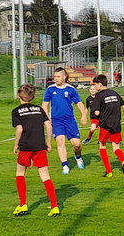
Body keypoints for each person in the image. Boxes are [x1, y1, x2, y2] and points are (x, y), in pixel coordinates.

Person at [11, 84, 59, 217]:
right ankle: (54, 206)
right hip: (39, 146)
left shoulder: (16, 111)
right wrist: (48, 142)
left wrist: (16, 144)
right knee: (45, 176)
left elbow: (19, 129)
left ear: (18, 96)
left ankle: (23, 205)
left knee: (20, 173)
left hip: (25, 146)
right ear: (32, 97)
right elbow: (49, 126)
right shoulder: (39, 109)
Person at [41, 67, 88, 175]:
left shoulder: (71, 89)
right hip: (56, 121)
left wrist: (84, 116)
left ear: (64, 77)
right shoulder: (50, 89)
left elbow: (79, 103)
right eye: (54, 76)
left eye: (58, 76)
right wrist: (46, 118)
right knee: (60, 141)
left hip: (70, 120)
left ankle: (78, 157)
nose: (55, 79)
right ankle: (65, 166)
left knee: (76, 144)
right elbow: (45, 104)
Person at [92, 74, 124, 178]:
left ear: (100, 84)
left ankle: (109, 171)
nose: (94, 87)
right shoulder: (114, 93)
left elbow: (96, 112)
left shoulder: (98, 95)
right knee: (116, 147)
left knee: (102, 146)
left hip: (105, 125)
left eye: (95, 84)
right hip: (116, 124)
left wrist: (95, 112)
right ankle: (123, 162)